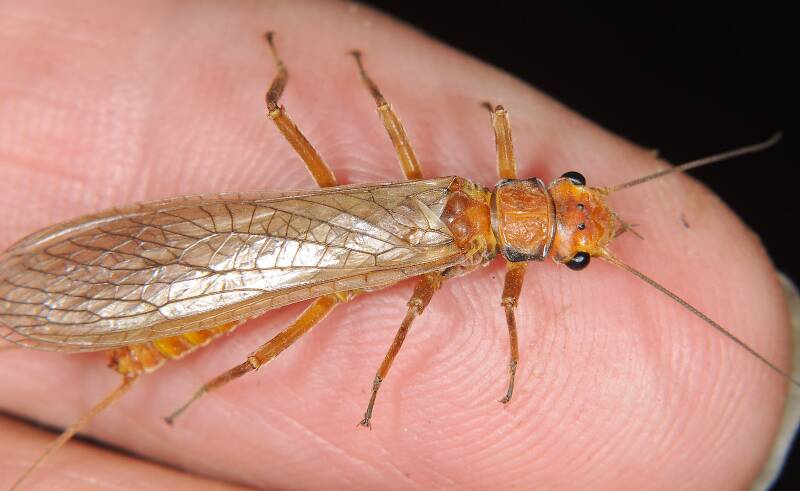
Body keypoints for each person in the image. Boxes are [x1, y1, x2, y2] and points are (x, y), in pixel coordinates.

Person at [0, 1, 792, 489]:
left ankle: (118, 338)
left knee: (246, 297)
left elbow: (438, 131)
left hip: (265, 257)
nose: (577, 217)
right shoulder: (469, 251)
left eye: (572, 238)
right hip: (260, 261)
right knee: (249, 329)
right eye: (571, 212)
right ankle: (105, 333)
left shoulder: (465, 187)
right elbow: (421, 314)